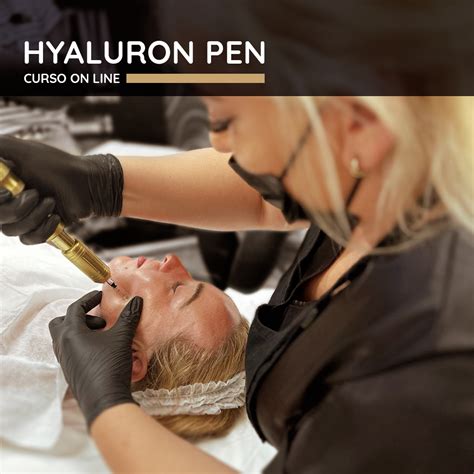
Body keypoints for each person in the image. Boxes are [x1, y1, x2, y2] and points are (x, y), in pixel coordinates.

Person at [1, 5, 473, 474]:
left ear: (357, 125)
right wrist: (98, 183)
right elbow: (266, 196)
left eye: (227, 121)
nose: (219, 143)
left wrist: (108, 405)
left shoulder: (431, 369)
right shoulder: (392, 174)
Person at [0, 242, 249, 443]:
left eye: (177, 289)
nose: (172, 260)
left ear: (130, 359)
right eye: (193, 278)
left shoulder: (22, 366)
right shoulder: (99, 288)